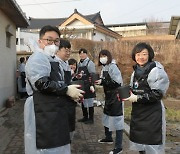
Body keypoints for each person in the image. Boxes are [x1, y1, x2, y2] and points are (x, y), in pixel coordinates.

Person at [24, 25, 84, 154]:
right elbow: (41, 83)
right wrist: (66, 90)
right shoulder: (38, 58)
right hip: (42, 110)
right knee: (46, 148)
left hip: (53, 109)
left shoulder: (50, 59)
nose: (53, 44)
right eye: (49, 40)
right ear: (40, 41)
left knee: (56, 146)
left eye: (56, 41)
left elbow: (57, 83)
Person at [124, 42, 169, 154]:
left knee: (152, 144)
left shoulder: (155, 70)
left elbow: (158, 94)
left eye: (144, 54)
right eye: (138, 54)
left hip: (152, 114)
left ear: (149, 55)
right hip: (139, 113)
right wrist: (126, 93)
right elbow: (133, 88)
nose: (141, 57)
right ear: (134, 56)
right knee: (140, 144)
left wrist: (137, 98)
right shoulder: (135, 72)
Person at [95, 49, 124, 154]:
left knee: (118, 121)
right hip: (108, 96)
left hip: (116, 97)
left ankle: (119, 146)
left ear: (109, 56)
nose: (102, 58)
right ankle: (108, 137)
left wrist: (103, 81)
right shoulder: (104, 68)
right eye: (101, 56)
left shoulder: (113, 67)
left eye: (104, 55)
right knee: (106, 117)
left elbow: (117, 82)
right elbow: (105, 80)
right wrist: (100, 82)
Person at [54, 39, 77, 141]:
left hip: (68, 102)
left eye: (69, 51)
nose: (68, 53)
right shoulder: (55, 64)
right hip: (61, 103)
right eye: (66, 50)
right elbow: (59, 85)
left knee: (69, 128)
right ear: (57, 50)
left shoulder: (65, 64)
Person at [76, 48, 96, 124]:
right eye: (80, 54)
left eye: (83, 53)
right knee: (83, 101)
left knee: (90, 102)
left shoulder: (90, 63)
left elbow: (93, 75)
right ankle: (85, 117)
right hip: (82, 85)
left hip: (89, 85)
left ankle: (91, 119)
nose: (82, 55)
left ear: (86, 54)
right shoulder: (79, 63)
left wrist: (92, 85)